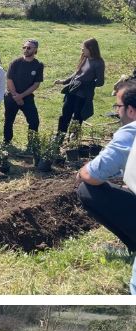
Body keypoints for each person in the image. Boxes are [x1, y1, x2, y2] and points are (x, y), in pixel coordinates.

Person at [76, 78, 136, 293]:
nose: (116, 111)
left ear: (131, 110)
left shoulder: (131, 131)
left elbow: (91, 175)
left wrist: (81, 172)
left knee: (86, 189)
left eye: (118, 106)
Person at [56, 38, 106, 134]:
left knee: (77, 118)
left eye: (84, 48)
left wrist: (87, 84)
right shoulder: (85, 57)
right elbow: (77, 73)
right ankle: (59, 136)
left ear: (91, 48)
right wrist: (64, 81)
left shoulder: (98, 63)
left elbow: (100, 82)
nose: (82, 50)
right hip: (72, 90)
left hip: (83, 95)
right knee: (65, 115)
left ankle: (73, 138)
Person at [5, 39, 44, 146]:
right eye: (24, 47)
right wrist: (16, 96)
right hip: (11, 96)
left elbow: (36, 84)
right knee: (9, 121)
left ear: (35, 50)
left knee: (34, 121)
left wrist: (21, 96)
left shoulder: (38, 65)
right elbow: (9, 80)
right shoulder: (15, 63)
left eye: (29, 48)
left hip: (27, 97)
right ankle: (7, 141)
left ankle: (32, 143)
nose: (26, 49)